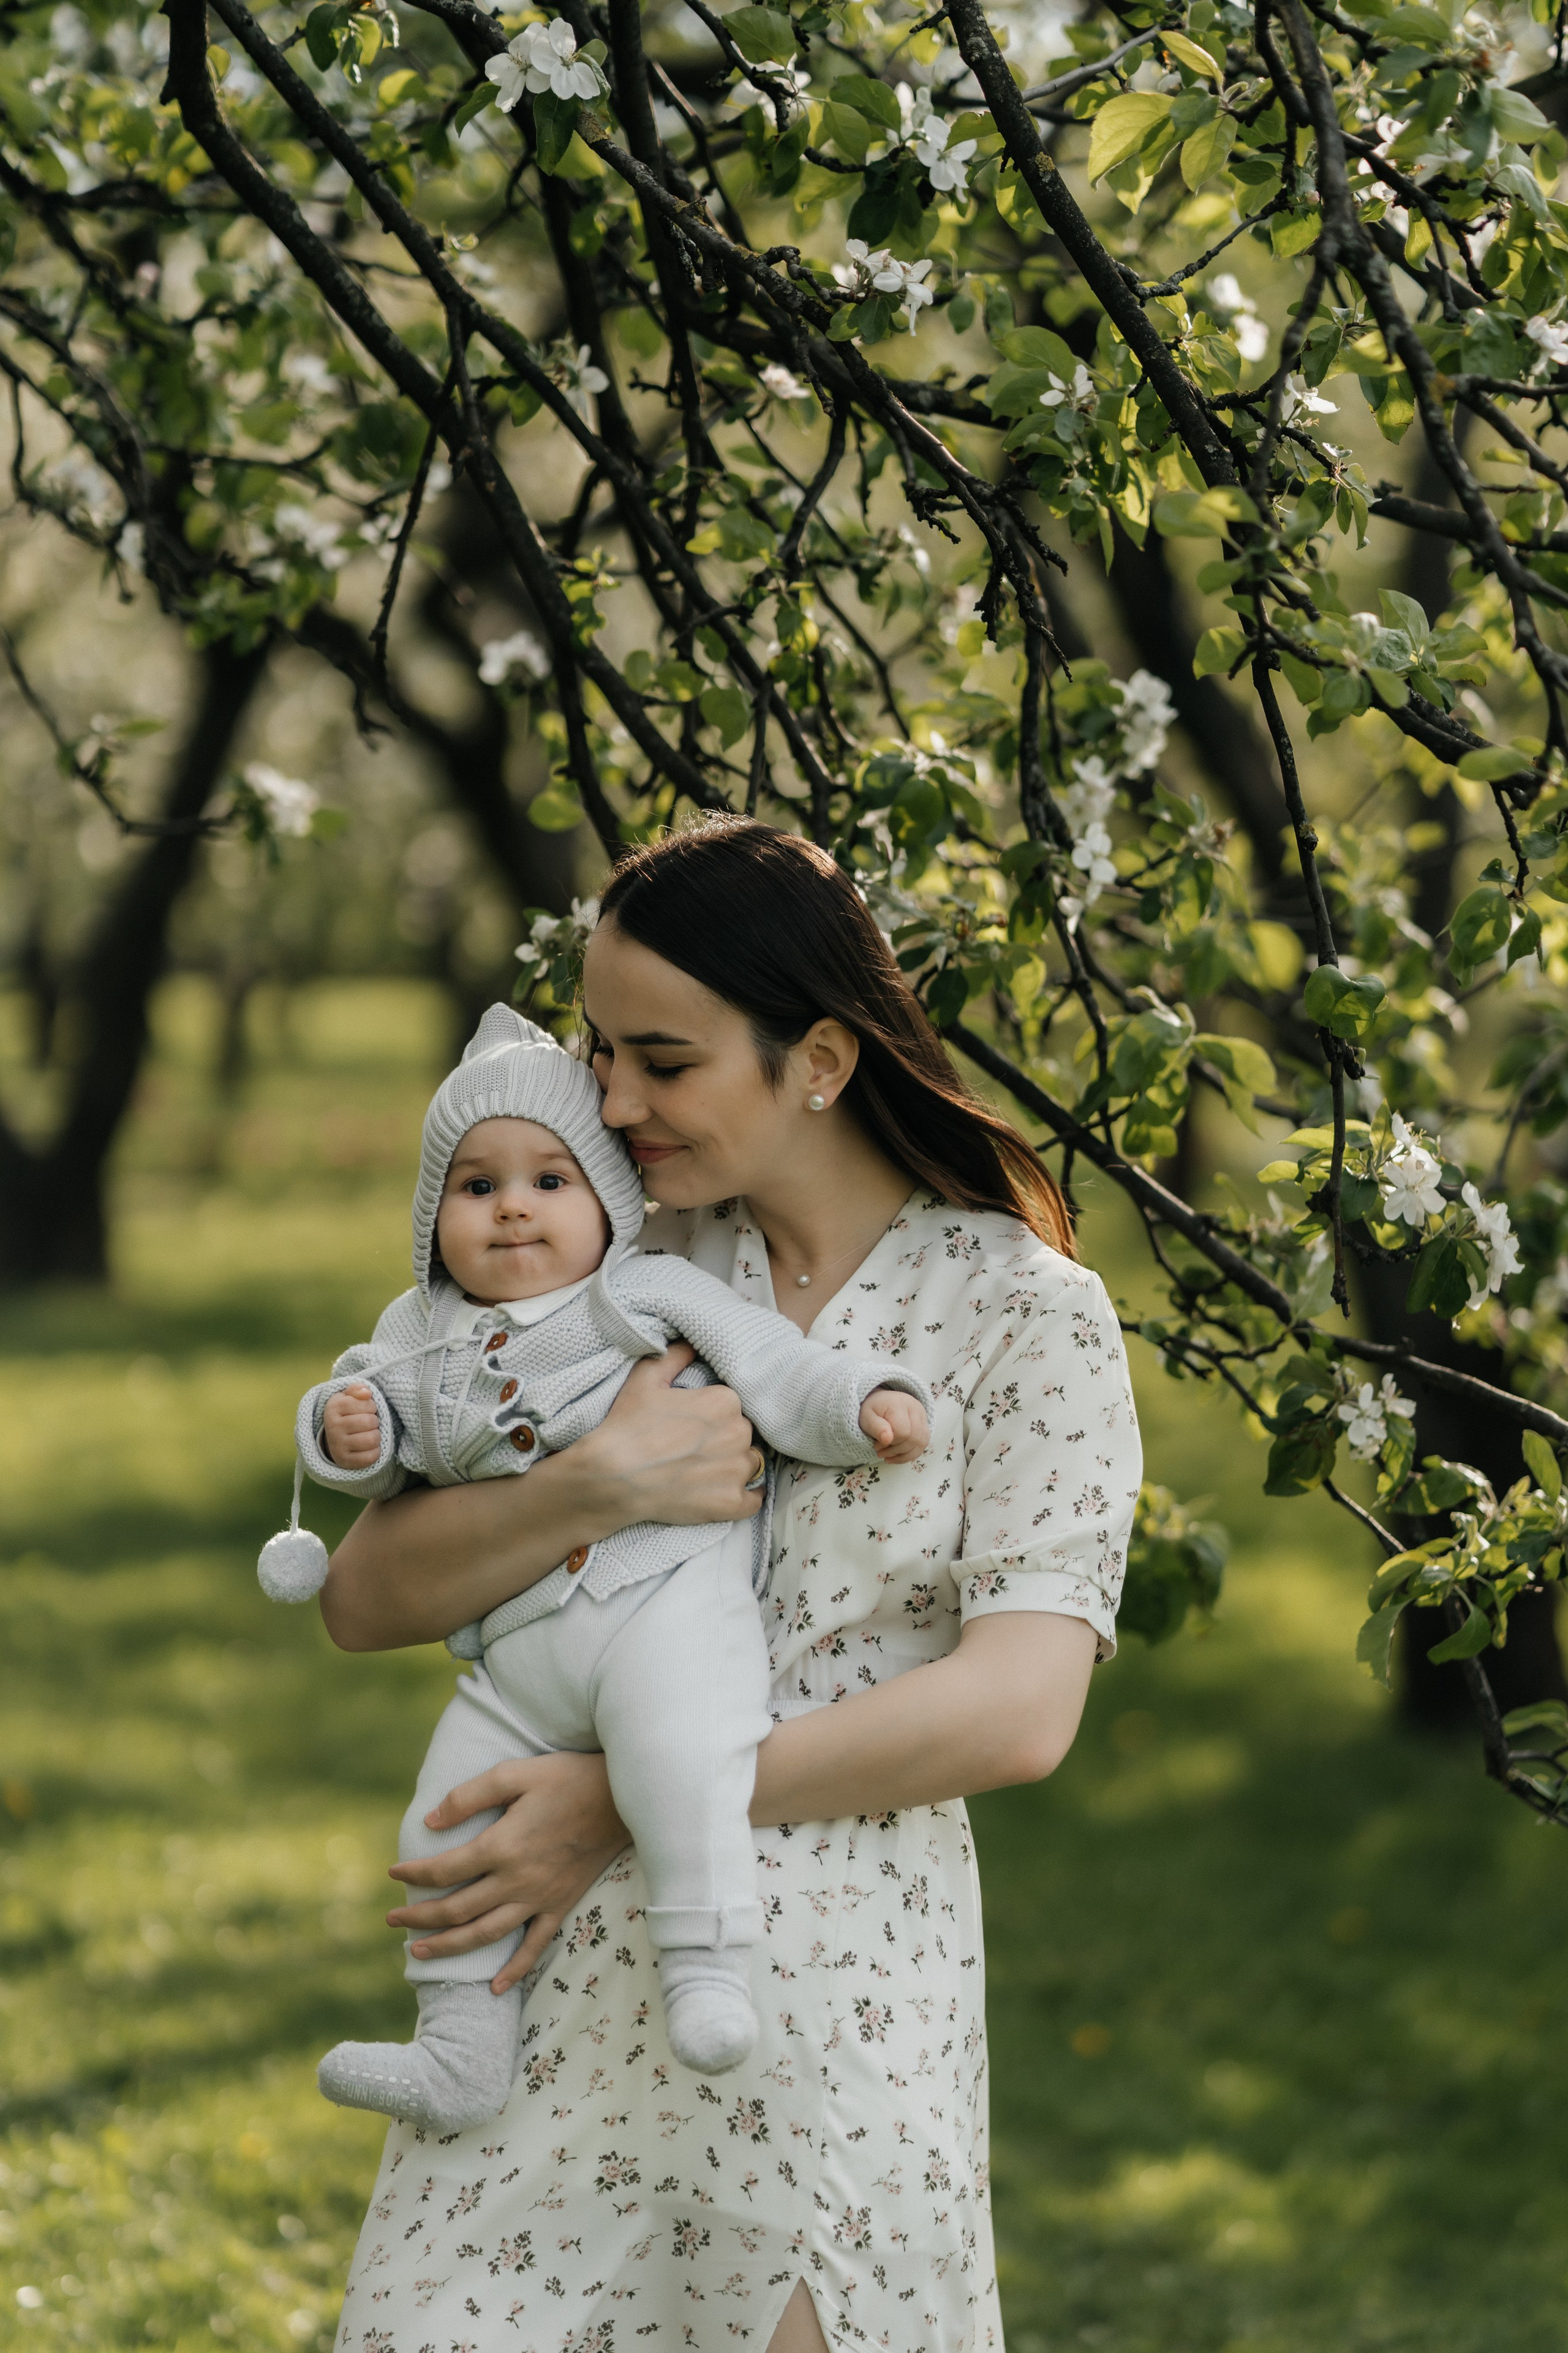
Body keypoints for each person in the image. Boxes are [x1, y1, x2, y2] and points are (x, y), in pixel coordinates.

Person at [323, 820, 1142, 2353]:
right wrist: (598, 1481)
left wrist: (621, 1798)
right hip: (544, 1993)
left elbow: (1017, 1710)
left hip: (829, 1996)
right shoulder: (597, 1256)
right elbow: (366, 1595)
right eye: (600, 1054)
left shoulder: (1022, 1313)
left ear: (818, 1058)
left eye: (661, 1060)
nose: (612, 1101)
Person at [267, 1003, 929, 2127]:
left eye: (548, 1181)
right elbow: (371, 1424)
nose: (512, 1206)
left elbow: (773, 1364)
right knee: (442, 1823)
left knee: (679, 1753)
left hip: (653, 1607)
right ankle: (460, 2050)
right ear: (434, 1221)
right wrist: (344, 1435)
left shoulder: (646, 1292)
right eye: (475, 1189)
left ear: (606, 1208)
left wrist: (855, 1401)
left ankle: (707, 1966)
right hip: (517, 1659)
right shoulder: (418, 1332)